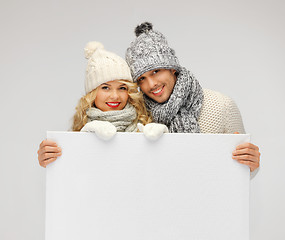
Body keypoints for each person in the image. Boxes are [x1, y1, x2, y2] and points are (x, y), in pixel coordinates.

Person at [124, 22, 260, 173]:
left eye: (156, 71)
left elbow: (241, 173)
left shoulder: (222, 106)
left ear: (172, 69)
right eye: (141, 79)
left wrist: (251, 164)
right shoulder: (139, 115)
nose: (151, 84)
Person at [38, 41, 167, 167]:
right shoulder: (79, 132)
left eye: (122, 88)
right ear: (93, 93)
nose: (115, 96)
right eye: (105, 87)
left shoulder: (144, 124)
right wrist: (49, 158)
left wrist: (165, 141)